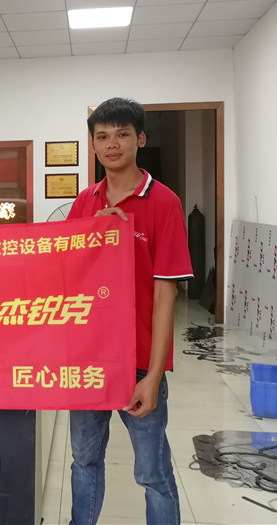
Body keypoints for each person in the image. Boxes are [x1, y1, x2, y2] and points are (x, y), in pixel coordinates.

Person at [67, 98, 192, 525]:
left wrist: (153, 376)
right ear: (93, 145)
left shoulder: (164, 203)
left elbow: (165, 295)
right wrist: (96, 235)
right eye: (102, 136)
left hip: (139, 362)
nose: (112, 144)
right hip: (89, 361)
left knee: (152, 472)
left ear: (140, 139)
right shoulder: (84, 203)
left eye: (122, 134)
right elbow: (67, 278)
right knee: (83, 461)